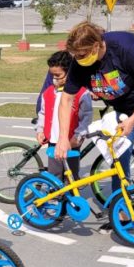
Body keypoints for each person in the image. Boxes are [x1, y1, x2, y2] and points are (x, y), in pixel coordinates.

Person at [54, 22, 134, 246]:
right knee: (117, 157)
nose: (79, 59)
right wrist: (63, 137)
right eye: (75, 55)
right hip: (125, 109)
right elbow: (66, 99)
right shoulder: (80, 63)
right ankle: (121, 213)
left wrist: (133, 120)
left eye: (82, 54)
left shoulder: (124, 47)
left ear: (96, 45)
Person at [35, 51, 93, 181]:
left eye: (58, 75)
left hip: (72, 141)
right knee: (54, 175)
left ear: (70, 73)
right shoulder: (48, 93)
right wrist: (40, 130)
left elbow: (86, 118)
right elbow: (42, 113)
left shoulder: (82, 94)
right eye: (52, 75)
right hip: (53, 142)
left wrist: (78, 136)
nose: (54, 79)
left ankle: (71, 199)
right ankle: (55, 198)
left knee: (72, 176)